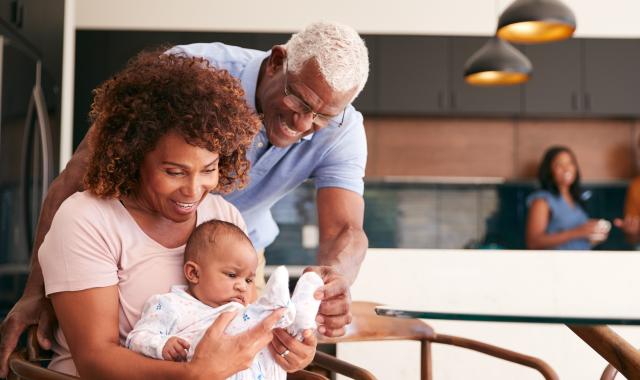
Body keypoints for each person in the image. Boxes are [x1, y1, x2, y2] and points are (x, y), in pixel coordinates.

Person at [0, 21, 369, 376]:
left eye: (322, 117)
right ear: (276, 63)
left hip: (240, 246)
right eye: (299, 101)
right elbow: (75, 178)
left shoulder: (338, 132)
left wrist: (295, 338)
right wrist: (37, 288)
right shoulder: (190, 72)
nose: (304, 125)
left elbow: (345, 230)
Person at [35, 51, 316, 378]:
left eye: (209, 169)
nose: (194, 190)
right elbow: (95, 360)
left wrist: (288, 349)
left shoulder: (223, 218)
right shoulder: (87, 220)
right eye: (174, 172)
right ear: (134, 156)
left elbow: (244, 320)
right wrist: (193, 374)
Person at [127, 219, 323, 380]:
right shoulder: (171, 305)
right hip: (207, 369)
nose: (242, 286)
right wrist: (162, 345)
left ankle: (294, 320)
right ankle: (277, 308)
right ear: (194, 273)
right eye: (231, 275)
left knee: (268, 329)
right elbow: (136, 338)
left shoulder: (241, 310)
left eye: (248, 280)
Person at [526, 145, 609, 250]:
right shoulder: (542, 201)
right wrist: (577, 232)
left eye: (570, 163)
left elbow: (576, 242)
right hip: (556, 264)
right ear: (549, 170)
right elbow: (533, 242)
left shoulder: (576, 200)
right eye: (559, 165)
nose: (566, 168)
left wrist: (592, 235)